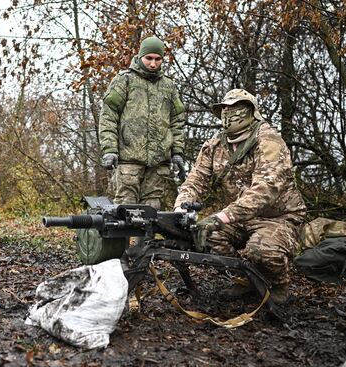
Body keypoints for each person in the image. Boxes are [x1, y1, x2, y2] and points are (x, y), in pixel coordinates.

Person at [173, 88, 306, 304]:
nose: (229, 115)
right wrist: (182, 208)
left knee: (262, 252)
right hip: (239, 218)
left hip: (277, 217)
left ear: (250, 112)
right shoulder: (216, 145)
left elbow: (266, 190)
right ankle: (246, 279)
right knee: (204, 237)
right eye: (225, 109)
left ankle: (278, 283)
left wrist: (221, 217)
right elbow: (195, 180)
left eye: (236, 109)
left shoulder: (269, 141)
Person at [99, 35, 186, 211]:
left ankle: (146, 241)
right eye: (149, 58)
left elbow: (177, 121)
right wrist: (110, 150)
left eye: (157, 59)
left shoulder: (169, 86)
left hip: (159, 162)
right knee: (125, 209)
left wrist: (177, 151)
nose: (153, 64)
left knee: (152, 209)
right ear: (140, 57)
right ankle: (123, 240)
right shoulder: (125, 80)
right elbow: (109, 115)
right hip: (128, 159)